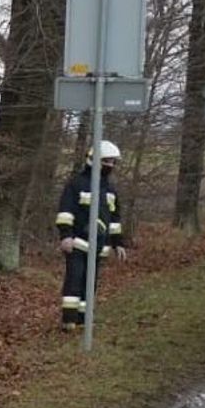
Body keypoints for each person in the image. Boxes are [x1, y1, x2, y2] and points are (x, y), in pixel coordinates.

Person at [55, 140, 126, 331]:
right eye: (107, 161)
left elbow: (114, 220)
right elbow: (65, 212)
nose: (111, 165)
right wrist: (66, 235)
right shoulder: (76, 184)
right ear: (94, 160)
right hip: (77, 243)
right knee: (74, 280)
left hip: (99, 247)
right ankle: (69, 320)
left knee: (90, 283)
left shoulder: (110, 190)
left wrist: (118, 243)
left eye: (113, 162)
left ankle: (83, 319)